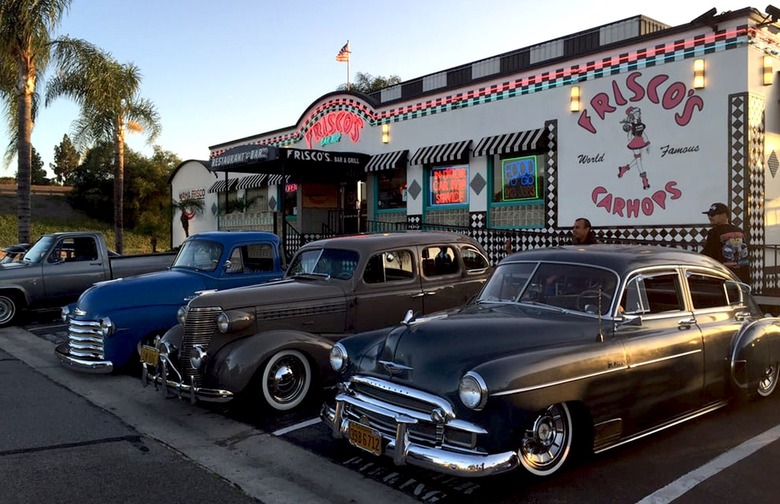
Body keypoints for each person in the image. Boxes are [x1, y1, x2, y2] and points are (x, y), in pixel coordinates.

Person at [701, 202, 750, 283]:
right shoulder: (739, 231)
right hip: (741, 277)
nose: (710, 217)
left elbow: (708, 254)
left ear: (724, 215)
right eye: (708, 215)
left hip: (722, 277)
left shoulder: (714, 232)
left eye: (713, 215)